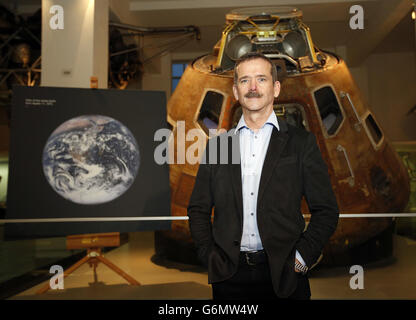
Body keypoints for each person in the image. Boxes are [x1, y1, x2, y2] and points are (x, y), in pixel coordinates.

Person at [187, 52, 339, 300]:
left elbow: (327, 210)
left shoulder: (302, 143)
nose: (253, 87)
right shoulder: (219, 146)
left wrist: (301, 258)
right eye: (245, 80)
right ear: (236, 91)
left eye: (261, 79)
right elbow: (198, 208)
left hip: (285, 276)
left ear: (276, 88)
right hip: (229, 278)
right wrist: (209, 255)